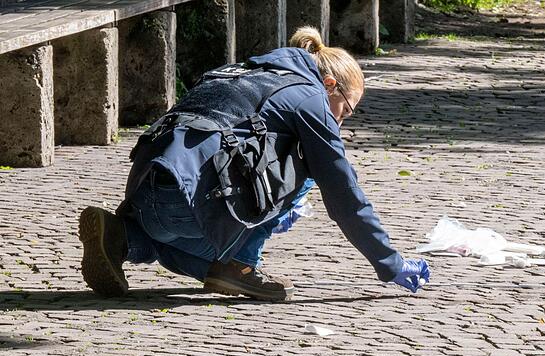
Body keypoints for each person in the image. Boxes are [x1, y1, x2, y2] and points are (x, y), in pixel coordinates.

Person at [77, 27, 430, 301]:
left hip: (146, 191)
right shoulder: (310, 97)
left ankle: (122, 236)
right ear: (330, 85)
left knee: (207, 263)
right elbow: (343, 192)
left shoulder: (238, 70)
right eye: (345, 111)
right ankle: (241, 263)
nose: (340, 123)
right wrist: (389, 263)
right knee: (311, 164)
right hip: (187, 202)